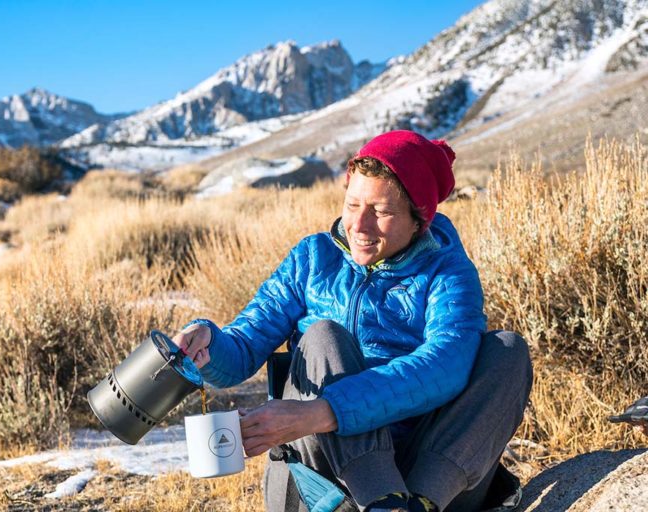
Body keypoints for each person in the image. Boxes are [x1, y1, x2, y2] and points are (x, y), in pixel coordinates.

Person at [175, 130, 533, 512]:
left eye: (380, 211)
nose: (359, 225)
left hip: (424, 478)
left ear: (419, 219)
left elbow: (446, 365)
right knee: (323, 337)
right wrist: (207, 343)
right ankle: (381, 499)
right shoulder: (312, 259)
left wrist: (322, 410)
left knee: (507, 351)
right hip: (327, 478)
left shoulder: (448, 271)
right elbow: (243, 349)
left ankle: (415, 504)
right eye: (352, 204)